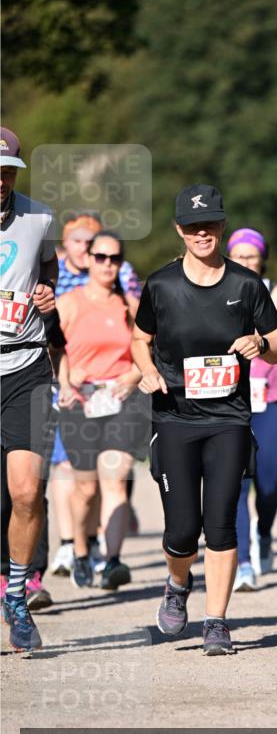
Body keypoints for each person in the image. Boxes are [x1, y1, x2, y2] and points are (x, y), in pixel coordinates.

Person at [132, 184, 277, 655]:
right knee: (181, 531)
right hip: (175, 417)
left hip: (229, 418)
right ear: (180, 231)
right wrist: (146, 373)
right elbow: (140, 339)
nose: (203, 233)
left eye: (211, 224)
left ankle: (216, 621)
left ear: (222, 227)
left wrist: (260, 344)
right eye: (193, 227)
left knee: (221, 523)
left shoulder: (246, 285)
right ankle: (177, 584)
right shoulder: (160, 285)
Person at [50, 211, 142, 579]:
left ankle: (114, 561)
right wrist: (67, 383)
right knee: (85, 488)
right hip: (80, 401)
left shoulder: (130, 308)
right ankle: (82, 552)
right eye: (100, 256)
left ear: (121, 263)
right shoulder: (69, 302)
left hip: (120, 400)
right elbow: (54, 350)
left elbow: (148, 351)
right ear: (88, 259)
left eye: (114, 258)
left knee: (116, 477)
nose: (107, 264)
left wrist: (133, 376)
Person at [226, 227, 277, 591]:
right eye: (239, 255)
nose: (245, 261)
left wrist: (263, 345)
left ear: (263, 258)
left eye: (251, 255)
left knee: (268, 484)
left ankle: (264, 532)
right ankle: (244, 563)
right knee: (239, 483)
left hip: (272, 396)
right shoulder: (220, 291)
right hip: (231, 397)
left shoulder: (276, 292)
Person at [0, 127, 58, 653]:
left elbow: (49, 273)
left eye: (6, 172)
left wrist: (47, 293)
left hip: (25, 369)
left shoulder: (39, 218)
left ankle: (16, 597)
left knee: (26, 491)